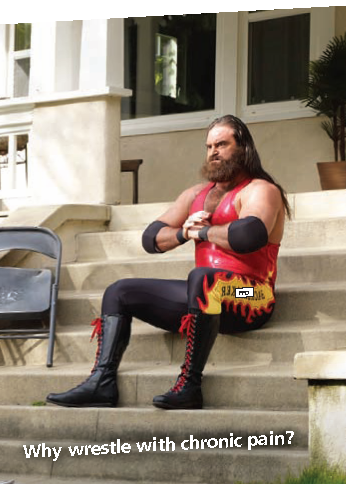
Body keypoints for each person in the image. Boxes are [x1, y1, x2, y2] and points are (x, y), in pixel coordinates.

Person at [47, 115, 288, 410]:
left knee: (202, 279)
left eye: (222, 144)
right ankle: (101, 382)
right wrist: (182, 232)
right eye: (209, 145)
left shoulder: (261, 190)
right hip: (206, 297)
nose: (213, 152)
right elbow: (151, 238)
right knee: (119, 291)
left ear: (243, 148)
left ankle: (190, 385)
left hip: (253, 296)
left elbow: (248, 235)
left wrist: (200, 231)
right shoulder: (195, 194)